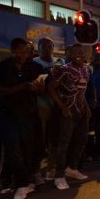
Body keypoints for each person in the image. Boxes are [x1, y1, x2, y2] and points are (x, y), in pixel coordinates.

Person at [0, 37, 44, 199]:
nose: (24, 55)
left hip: (28, 114)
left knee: (27, 148)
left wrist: (38, 87)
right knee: (12, 145)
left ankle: (25, 181)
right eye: (21, 51)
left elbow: (41, 88)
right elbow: (1, 90)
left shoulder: (34, 67)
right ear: (13, 50)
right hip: (7, 113)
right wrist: (22, 86)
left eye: (27, 52)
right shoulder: (3, 67)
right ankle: (21, 183)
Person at [47, 44, 90, 189]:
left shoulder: (86, 69)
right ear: (70, 55)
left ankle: (72, 168)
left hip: (81, 112)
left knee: (81, 139)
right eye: (75, 52)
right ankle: (59, 176)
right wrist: (62, 107)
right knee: (63, 143)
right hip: (69, 112)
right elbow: (51, 88)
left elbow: (81, 92)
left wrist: (87, 108)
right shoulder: (65, 70)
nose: (79, 54)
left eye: (81, 51)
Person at [32, 38, 64, 181]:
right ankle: (36, 171)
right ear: (39, 48)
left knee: (54, 139)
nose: (47, 49)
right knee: (39, 139)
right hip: (40, 105)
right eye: (44, 46)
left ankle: (52, 168)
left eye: (50, 46)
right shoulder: (34, 63)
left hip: (56, 105)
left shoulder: (59, 62)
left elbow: (63, 80)